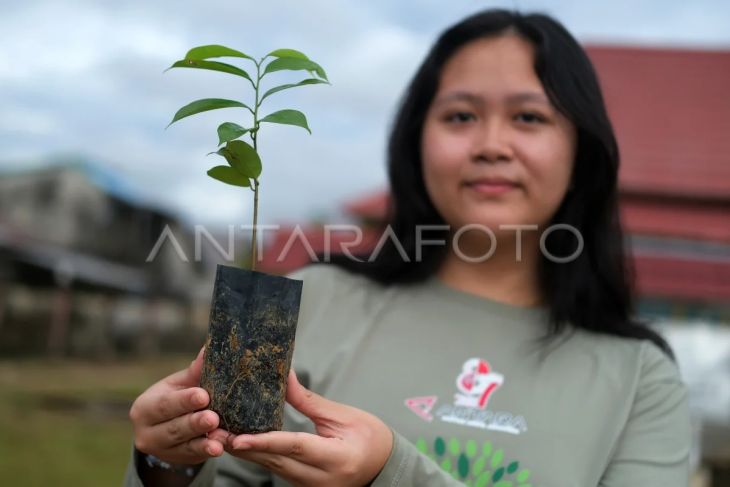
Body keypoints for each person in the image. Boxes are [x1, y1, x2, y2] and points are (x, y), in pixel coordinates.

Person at [124, 8, 691, 487]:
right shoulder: (318, 301)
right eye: (461, 115)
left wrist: (389, 473)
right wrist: (166, 462)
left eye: (529, 117)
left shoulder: (640, 378)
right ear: (416, 140)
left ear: (581, 152)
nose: (492, 144)